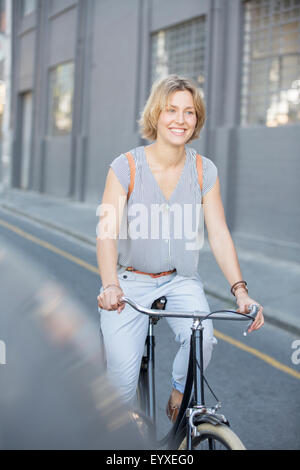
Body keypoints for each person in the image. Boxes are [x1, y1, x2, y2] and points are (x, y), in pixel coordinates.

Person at [96, 74, 264, 422]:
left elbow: (218, 233)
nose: (180, 120)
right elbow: (107, 232)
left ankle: (177, 399)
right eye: (171, 110)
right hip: (130, 283)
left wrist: (241, 292)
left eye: (189, 112)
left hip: (181, 280)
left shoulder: (204, 171)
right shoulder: (125, 167)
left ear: (197, 120)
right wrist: (110, 284)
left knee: (202, 338)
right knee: (120, 392)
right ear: (156, 114)